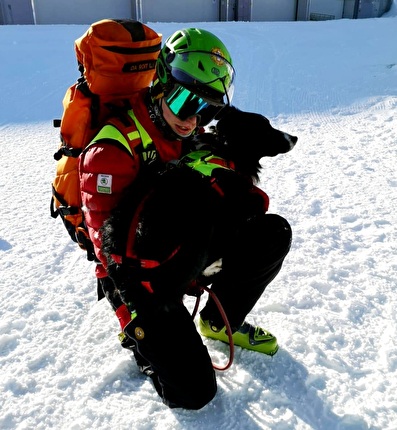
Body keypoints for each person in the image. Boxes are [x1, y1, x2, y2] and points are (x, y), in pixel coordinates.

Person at [79, 27, 292, 409]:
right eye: (182, 101)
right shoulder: (110, 151)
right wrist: (135, 320)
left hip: (181, 247)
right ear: (160, 84)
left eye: (206, 109)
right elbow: (108, 256)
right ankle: (148, 341)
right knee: (195, 393)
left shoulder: (185, 134)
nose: (192, 120)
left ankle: (216, 320)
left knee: (271, 233)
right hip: (139, 277)